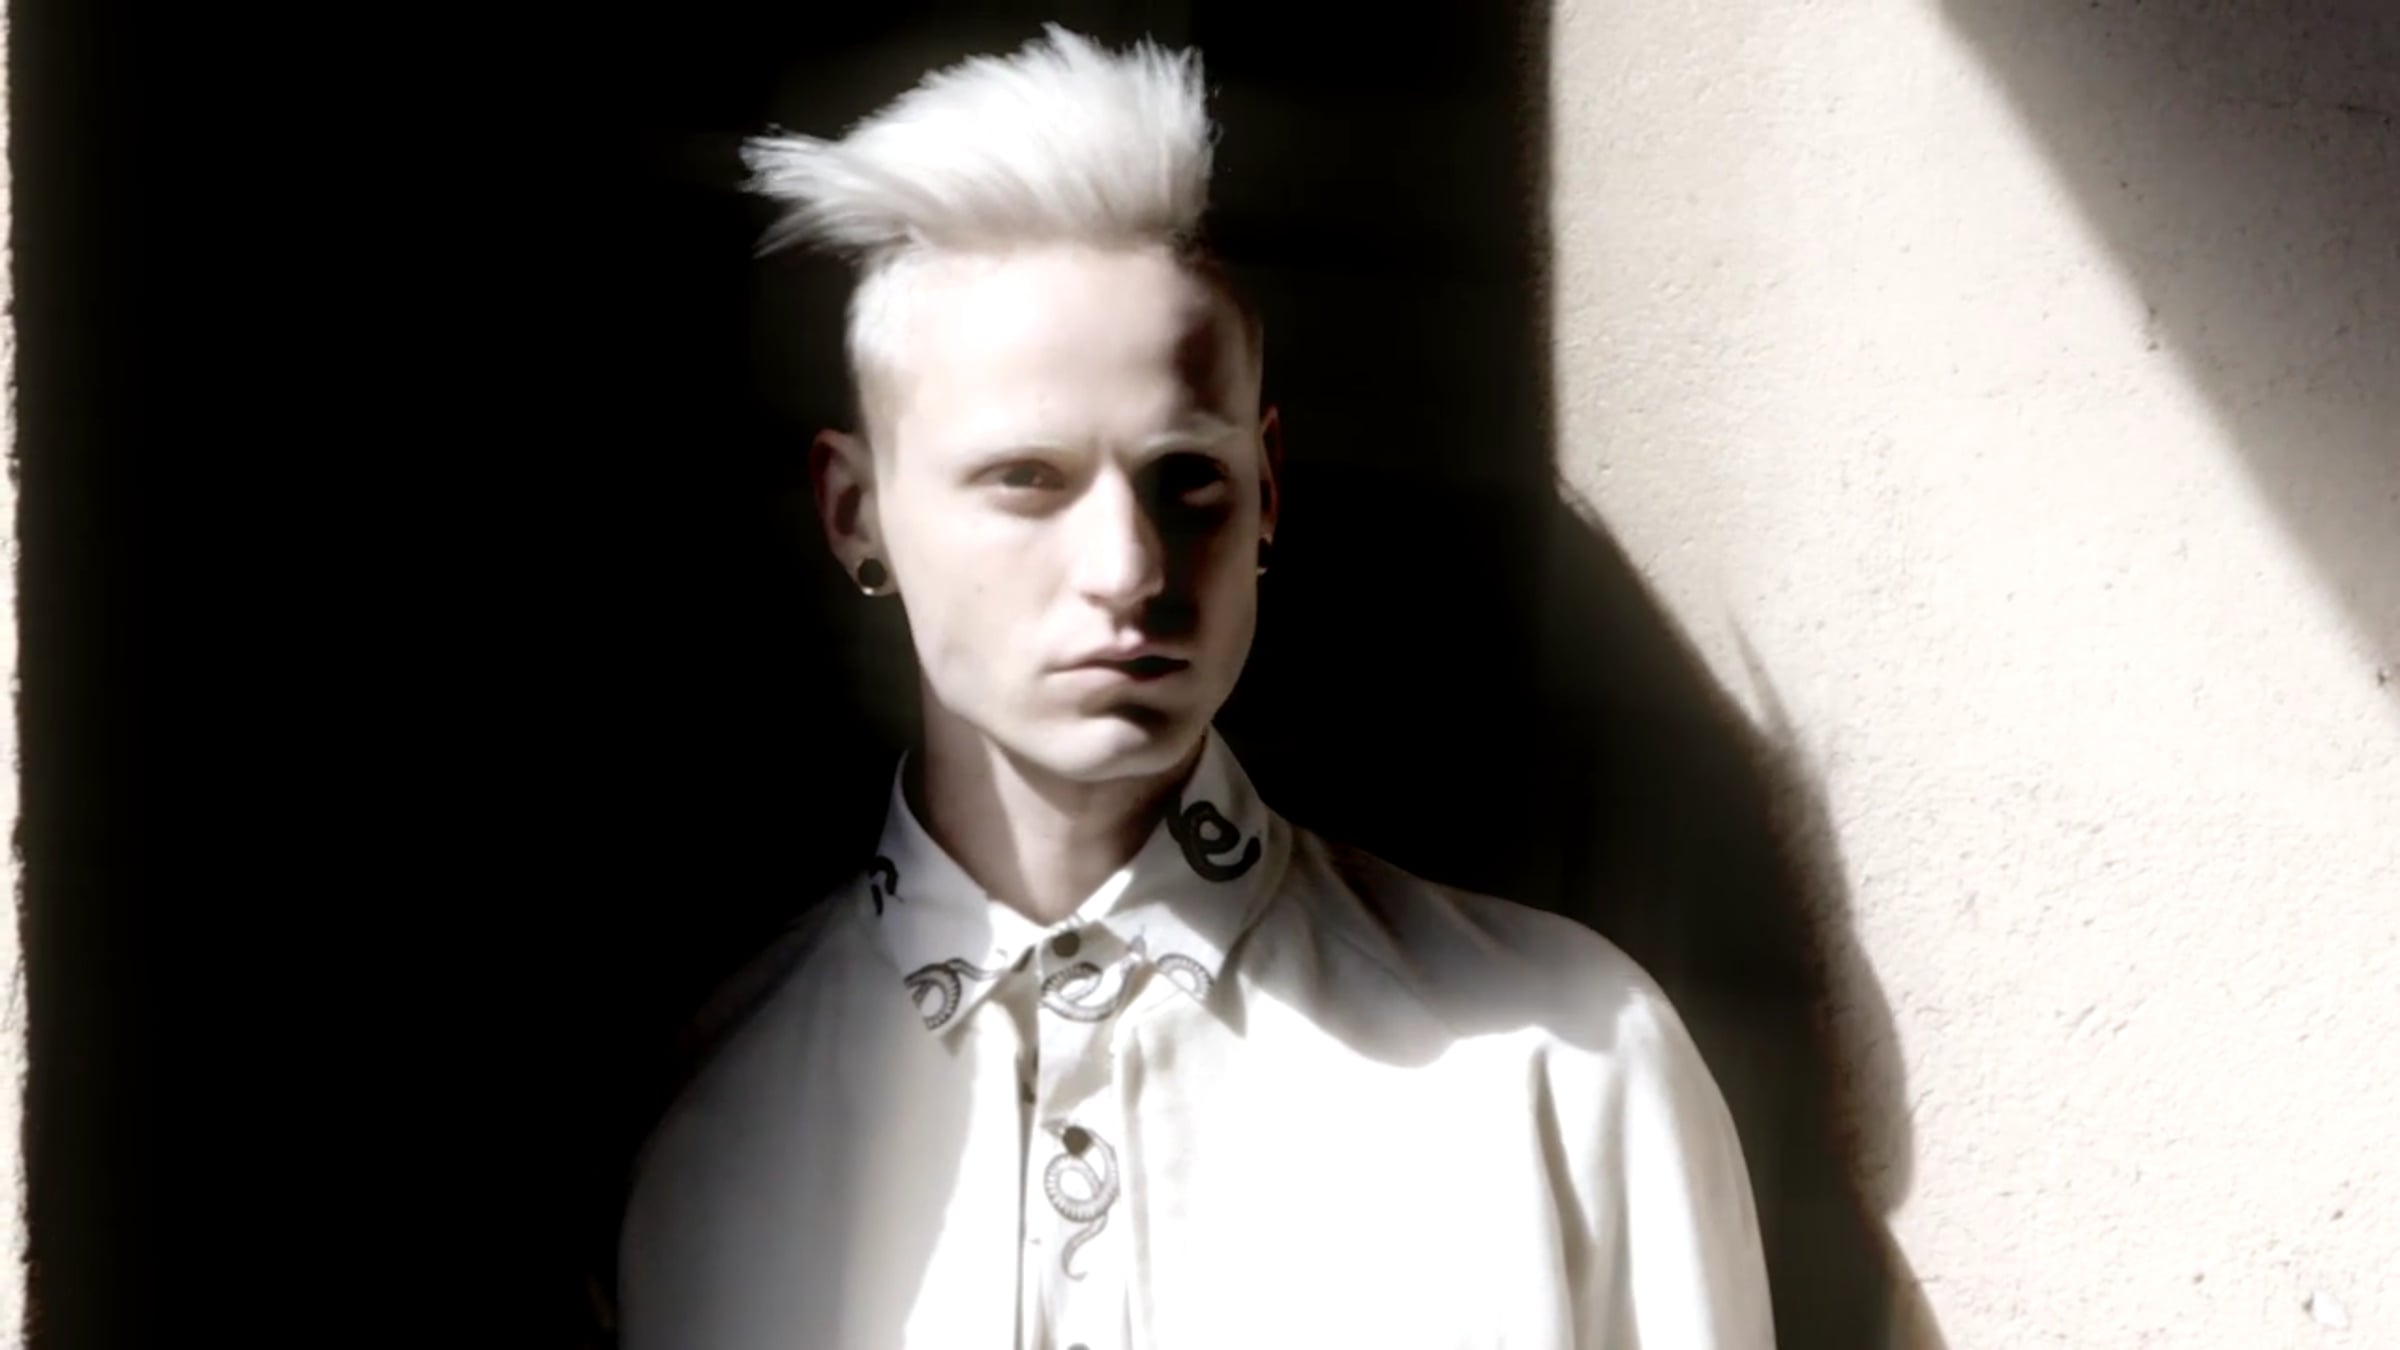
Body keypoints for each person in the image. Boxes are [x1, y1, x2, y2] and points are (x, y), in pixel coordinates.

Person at [615, 24, 1773, 1349]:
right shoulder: (688, 1129)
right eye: (1027, 479)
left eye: (1189, 480)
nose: (1128, 567)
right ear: (855, 512)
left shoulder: (1567, 1062)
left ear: (1266, 489)